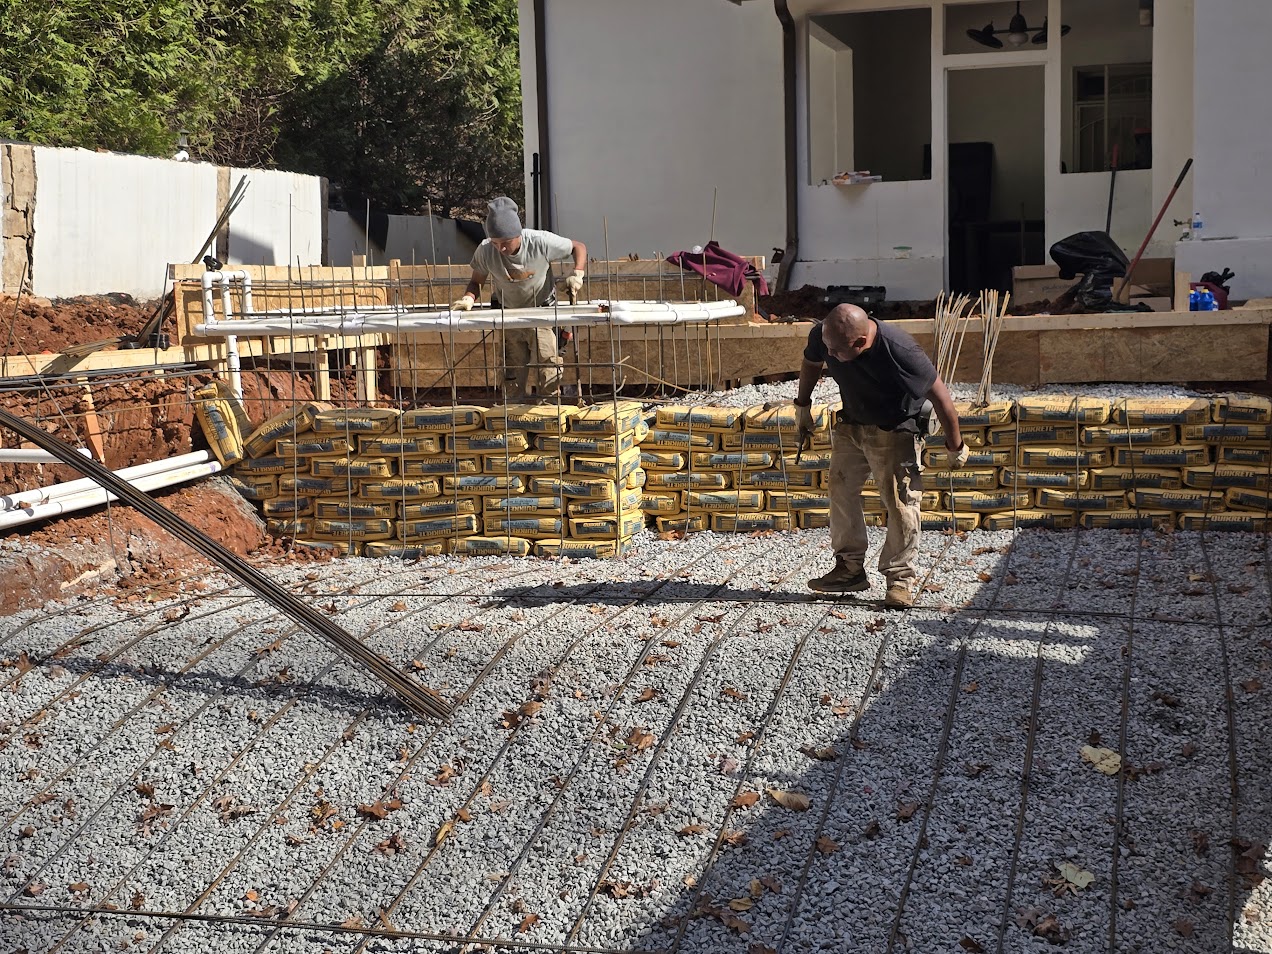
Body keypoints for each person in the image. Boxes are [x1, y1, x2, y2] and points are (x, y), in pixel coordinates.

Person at [793, 303, 969, 608]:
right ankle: (849, 569)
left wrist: (956, 446)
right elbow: (811, 363)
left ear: (860, 342)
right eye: (827, 347)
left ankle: (899, 581)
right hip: (852, 424)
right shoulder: (827, 336)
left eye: (835, 351)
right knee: (841, 490)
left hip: (894, 430)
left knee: (900, 503)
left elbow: (941, 397)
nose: (829, 355)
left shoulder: (900, 350)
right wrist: (802, 406)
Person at [450, 197, 587, 399]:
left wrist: (577, 273)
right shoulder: (486, 250)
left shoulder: (540, 242)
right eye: (496, 243)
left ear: (518, 234)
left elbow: (578, 247)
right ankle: (514, 419)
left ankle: (547, 417)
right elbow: (476, 281)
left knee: (548, 368)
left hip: (543, 314)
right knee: (511, 375)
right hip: (510, 314)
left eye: (506, 242)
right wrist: (469, 298)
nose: (501, 249)